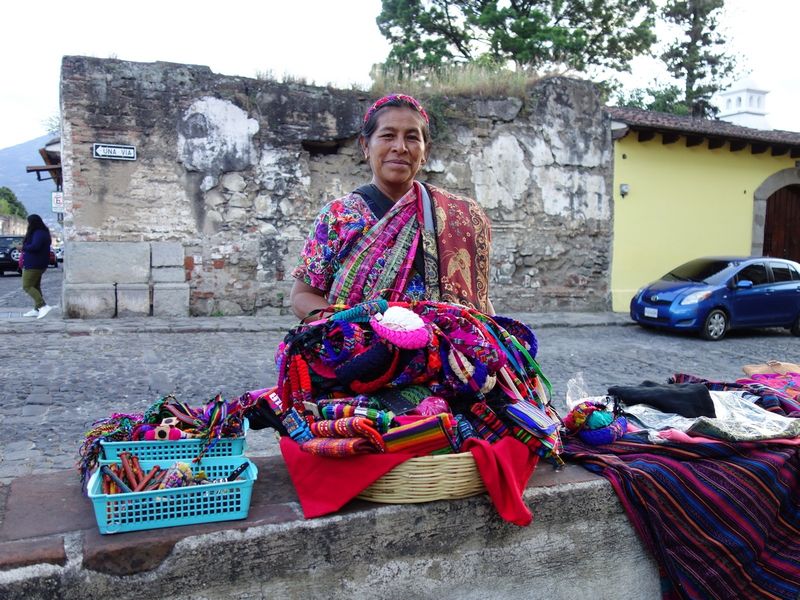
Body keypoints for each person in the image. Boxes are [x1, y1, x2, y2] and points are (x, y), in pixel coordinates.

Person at [290, 93, 494, 321]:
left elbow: (478, 300)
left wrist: (497, 341)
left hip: (440, 352)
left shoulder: (457, 217)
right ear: (366, 146)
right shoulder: (338, 216)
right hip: (359, 352)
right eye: (388, 136)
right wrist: (349, 329)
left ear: (425, 152)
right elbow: (303, 296)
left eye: (412, 138)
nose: (400, 147)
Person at [21, 214, 54, 319]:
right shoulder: (43, 232)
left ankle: (42, 305)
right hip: (38, 263)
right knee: (35, 286)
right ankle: (37, 309)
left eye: (29, 222)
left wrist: (23, 247)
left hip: (34, 264)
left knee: (27, 286)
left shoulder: (39, 233)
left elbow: (35, 247)